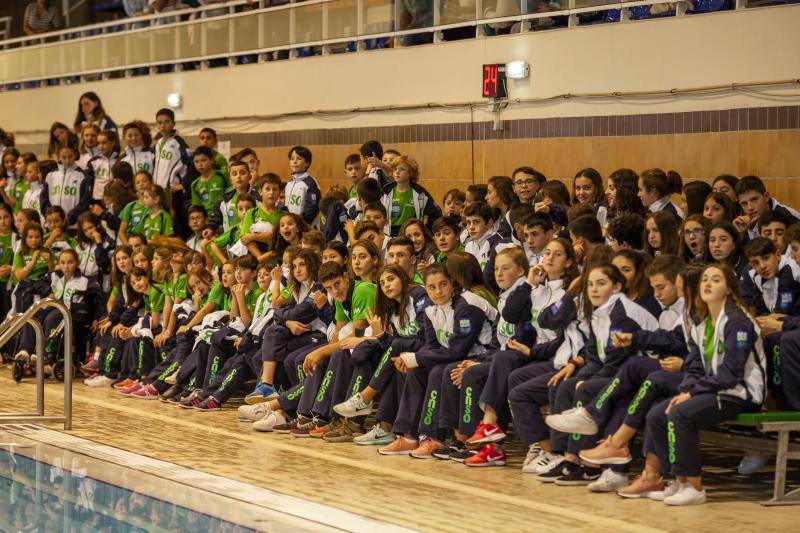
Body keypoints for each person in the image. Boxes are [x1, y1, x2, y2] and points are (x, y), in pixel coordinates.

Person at [620, 263, 764, 505]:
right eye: (704, 279)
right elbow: (695, 365)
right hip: (714, 389)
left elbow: (731, 374)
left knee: (681, 414)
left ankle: (694, 486)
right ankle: (677, 480)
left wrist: (692, 393)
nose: (707, 283)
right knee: (657, 414)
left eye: (716, 280)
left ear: (729, 288)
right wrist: (687, 389)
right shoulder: (702, 321)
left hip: (740, 394)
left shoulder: (737, 321)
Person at [381, 155, 440, 236]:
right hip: (390, 234)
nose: (397, 172)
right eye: (395, 169)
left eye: (402, 169)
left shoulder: (420, 193)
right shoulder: (385, 192)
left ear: (410, 173)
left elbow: (436, 213)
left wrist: (426, 231)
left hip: (411, 234)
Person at [734, 175, 800, 240]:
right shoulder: (746, 221)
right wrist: (741, 234)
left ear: (766, 196)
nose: (750, 207)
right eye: (744, 203)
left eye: (754, 199)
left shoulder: (787, 216)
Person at [41, 145, 90, 227]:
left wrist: (71, 217)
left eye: (70, 157)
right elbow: (43, 199)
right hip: (52, 224)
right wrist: (50, 216)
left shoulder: (82, 175)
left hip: (73, 225)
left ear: (75, 155)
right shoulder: (50, 175)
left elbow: (84, 201)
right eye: (64, 157)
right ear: (58, 157)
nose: (67, 161)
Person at [284, 146, 321, 226]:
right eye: (292, 158)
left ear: (307, 163)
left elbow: (312, 209)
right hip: (291, 227)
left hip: (304, 228)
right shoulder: (289, 184)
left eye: (299, 158)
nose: (294, 161)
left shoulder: (310, 183)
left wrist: (301, 225)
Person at [189, 146, 227, 217]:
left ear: (212, 160)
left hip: (225, 214)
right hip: (208, 219)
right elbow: (197, 208)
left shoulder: (222, 175)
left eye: (203, 160)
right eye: (196, 162)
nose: (200, 164)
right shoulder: (194, 184)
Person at [86, 130, 120, 202]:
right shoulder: (93, 162)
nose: (101, 146)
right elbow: (88, 185)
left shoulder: (119, 161)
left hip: (115, 199)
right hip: (98, 201)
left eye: (104, 143)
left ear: (113, 143)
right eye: (99, 143)